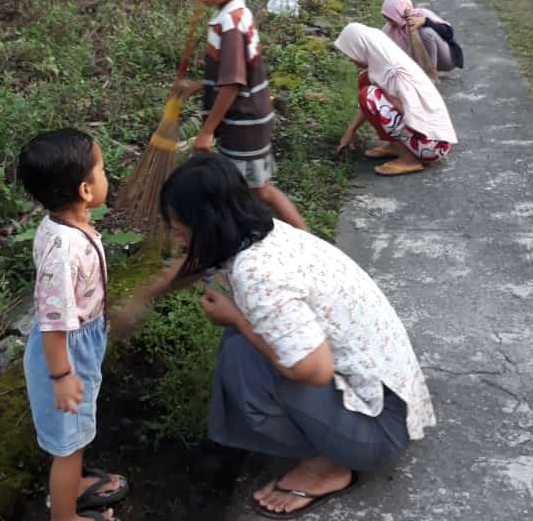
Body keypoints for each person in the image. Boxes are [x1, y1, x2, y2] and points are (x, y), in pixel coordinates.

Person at [120, 155, 436, 518]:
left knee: (241, 356)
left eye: (179, 228)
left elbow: (314, 370)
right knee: (246, 345)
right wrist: (139, 299)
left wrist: (236, 319)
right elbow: (198, 261)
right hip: (389, 399)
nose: (175, 236)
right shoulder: (264, 231)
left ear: (207, 225)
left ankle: (328, 467)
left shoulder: (257, 274)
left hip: (377, 431)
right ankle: (321, 440)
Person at [19, 129, 128, 521]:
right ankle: (65, 514)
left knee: (76, 433)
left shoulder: (66, 226)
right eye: (102, 170)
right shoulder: (63, 249)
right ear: (85, 190)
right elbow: (53, 323)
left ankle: (71, 486)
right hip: (64, 352)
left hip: (77, 344)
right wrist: (62, 375)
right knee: (69, 446)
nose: (106, 177)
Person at [172, 0, 307, 231]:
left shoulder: (230, 25)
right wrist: (196, 85)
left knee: (260, 191)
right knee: (256, 188)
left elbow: (233, 84)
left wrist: (206, 131)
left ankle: (304, 238)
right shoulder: (235, 14)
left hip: (244, 123)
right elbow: (233, 73)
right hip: (248, 119)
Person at [335, 23, 457, 175]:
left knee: (369, 95)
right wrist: (351, 130)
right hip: (422, 140)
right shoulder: (380, 67)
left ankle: (409, 159)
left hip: (432, 145)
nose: (351, 60)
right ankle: (396, 147)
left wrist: (386, 96)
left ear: (362, 48)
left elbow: (413, 113)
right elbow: (371, 106)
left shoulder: (395, 71)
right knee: (367, 87)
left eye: (352, 54)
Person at [381, 0, 464, 83]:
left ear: (398, 12)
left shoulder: (421, 14)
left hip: (446, 59)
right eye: (387, 18)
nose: (389, 22)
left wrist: (425, 21)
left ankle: (431, 76)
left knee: (425, 32)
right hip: (420, 63)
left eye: (390, 18)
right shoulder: (388, 30)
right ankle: (423, 75)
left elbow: (449, 33)